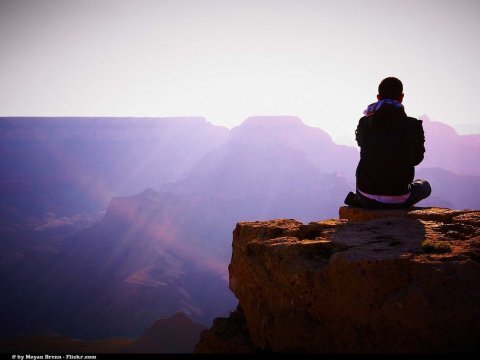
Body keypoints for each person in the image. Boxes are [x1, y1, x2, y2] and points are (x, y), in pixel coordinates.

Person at [344, 77, 431, 209]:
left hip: (366, 196)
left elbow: (363, 145)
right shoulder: (413, 125)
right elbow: (417, 159)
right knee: (424, 186)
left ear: (378, 97)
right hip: (398, 198)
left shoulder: (364, 122)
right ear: (402, 97)